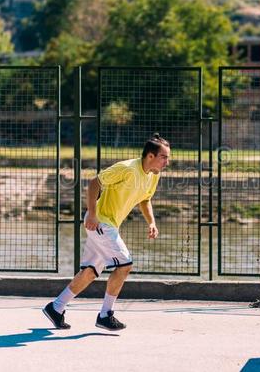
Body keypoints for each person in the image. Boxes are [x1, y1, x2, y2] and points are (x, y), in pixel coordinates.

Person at [43, 133, 170, 331]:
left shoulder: (153, 175)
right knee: (125, 264)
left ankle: (56, 307)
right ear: (150, 156)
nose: (167, 162)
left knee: (90, 272)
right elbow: (94, 183)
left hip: (109, 225)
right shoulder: (127, 169)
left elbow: (145, 200)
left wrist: (151, 222)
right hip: (100, 223)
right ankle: (105, 314)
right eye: (164, 157)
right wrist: (92, 214)